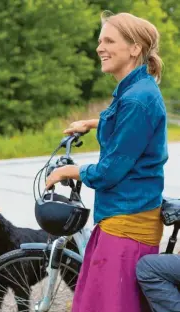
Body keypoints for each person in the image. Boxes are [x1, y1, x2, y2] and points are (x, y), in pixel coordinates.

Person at [46, 11, 168, 312]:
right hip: (122, 218)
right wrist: (91, 122)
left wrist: (69, 171)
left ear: (135, 48)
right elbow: (126, 124)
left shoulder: (137, 99)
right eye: (100, 40)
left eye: (109, 41)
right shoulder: (134, 91)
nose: (100, 47)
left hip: (127, 226)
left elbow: (110, 171)